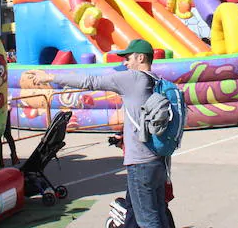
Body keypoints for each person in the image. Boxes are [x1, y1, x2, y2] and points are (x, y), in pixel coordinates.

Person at [38, 39, 171, 228]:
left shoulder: (133, 78)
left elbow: (90, 81)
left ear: (141, 57)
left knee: (147, 221)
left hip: (140, 163)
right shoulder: (156, 80)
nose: (125, 63)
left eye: (128, 58)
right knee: (159, 214)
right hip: (158, 161)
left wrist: (50, 77)